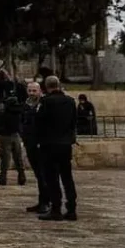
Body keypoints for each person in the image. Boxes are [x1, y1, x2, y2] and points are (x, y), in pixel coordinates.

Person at [36, 76, 77, 221]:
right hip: (65, 145)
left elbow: (39, 122)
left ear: (46, 87)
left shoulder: (46, 102)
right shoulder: (70, 101)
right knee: (67, 177)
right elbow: (73, 122)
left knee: (52, 178)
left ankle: (56, 208)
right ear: (59, 85)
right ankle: (71, 209)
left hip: (49, 144)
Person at [20, 81, 49, 214]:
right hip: (30, 143)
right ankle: (42, 201)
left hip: (42, 145)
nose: (32, 93)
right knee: (38, 174)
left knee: (44, 174)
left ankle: (46, 202)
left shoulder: (44, 104)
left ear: (40, 91)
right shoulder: (26, 105)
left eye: (34, 91)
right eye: (30, 90)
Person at [0, 92, 26, 186]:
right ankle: (22, 176)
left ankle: (3, 177)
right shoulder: (19, 111)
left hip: (5, 136)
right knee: (18, 157)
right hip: (16, 136)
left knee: (5, 158)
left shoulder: (4, 112)